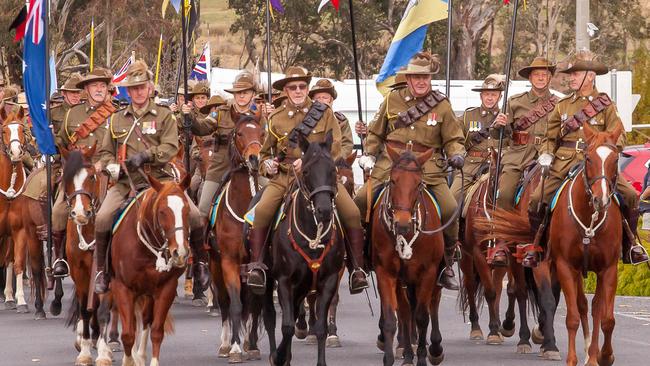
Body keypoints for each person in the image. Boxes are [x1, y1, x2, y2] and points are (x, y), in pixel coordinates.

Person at [246, 66, 369, 295]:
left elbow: (337, 148)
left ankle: (357, 270)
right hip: (284, 178)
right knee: (261, 212)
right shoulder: (275, 119)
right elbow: (265, 155)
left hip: (320, 178)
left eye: (302, 86)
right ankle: (258, 267)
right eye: (293, 87)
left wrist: (311, 161)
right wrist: (268, 166)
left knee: (351, 213)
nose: (298, 90)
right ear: (286, 90)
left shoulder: (324, 113)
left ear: (307, 89)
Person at [93, 60, 210, 294]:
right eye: (133, 88)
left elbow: (169, 147)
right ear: (128, 91)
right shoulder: (116, 118)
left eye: (142, 87)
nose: (138, 92)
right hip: (127, 182)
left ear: (149, 88)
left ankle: (200, 264)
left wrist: (146, 155)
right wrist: (111, 165)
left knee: (196, 216)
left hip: (160, 181)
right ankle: (103, 271)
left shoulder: (164, 115)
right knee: (103, 218)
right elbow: (105, 151)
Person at [353, 52, 465, 290]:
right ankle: (361, 259)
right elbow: (375, 132)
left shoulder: (442, 106)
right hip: (390, 165)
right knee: (360, 201)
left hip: (428, 168)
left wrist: (456, 154)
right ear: (409, 78)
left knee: (450, 208)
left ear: (430, 79)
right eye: (416, 77)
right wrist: (370, 154)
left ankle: (447, 263)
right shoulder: (393, 99)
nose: (421, 81)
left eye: (425, 77)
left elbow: (454, 138)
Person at [528, 50, 649, 266]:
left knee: (630, 195)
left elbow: (619, 136)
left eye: (576, 74)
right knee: (537, 199)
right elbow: (549, 137)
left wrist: (605, 148)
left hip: (598, 165)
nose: (571, 78)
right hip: (564, 162)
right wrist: (546, 153)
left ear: (590, 76)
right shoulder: (562, 105)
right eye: (571, 74)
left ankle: (630, 246)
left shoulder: (606, 105)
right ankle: (537, 247)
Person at [50, 68, 115, 278]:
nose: (99, 89)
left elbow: (118, 145)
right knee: (59, 211)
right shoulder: (72, 114)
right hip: (77, 170)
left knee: (118, 210)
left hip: (103, 170)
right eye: (95, 85)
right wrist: (48, 143)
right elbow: (62, 141)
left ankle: (114, 255)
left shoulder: (115, 114)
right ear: (86, 89)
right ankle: (60, 257)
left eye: (103, 86)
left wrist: (103, 164)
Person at [187, 71, 262, 220]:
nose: (241, 96)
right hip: (220, 166)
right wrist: (189, 116)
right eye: (238, 92)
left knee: (271, 200)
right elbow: (202, 128)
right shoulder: (221, 112)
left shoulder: (259, 116)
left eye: (245, 92)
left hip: (251, 169)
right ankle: (202, 242)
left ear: (253, 94)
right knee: (202, 211)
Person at [309, 79, 354, 158]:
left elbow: (347, 145)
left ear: (331, 100)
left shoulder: (341, 120)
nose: (321, 101)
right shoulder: (306, 120)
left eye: (324, 97)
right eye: (317, 98)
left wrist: (335, 159)